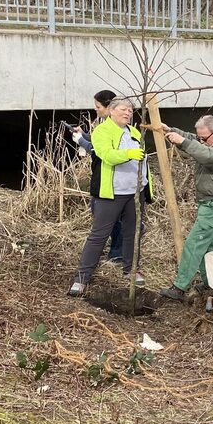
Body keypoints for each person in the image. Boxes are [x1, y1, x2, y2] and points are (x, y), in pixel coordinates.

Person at [68, 98, 155, 297]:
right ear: (112, 111)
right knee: (99, 235)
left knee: (132, 232)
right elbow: (106, 155)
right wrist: (129, 153)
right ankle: (81, 278)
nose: (128, 113)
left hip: (135, 192)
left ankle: (131, 270)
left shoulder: (133, 132)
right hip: (112, 193)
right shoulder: (102, 132)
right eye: (124, 110)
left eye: (131, 110)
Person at [157, 115, 213, 301]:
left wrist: (184, 143)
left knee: (195, 243)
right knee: (207, 245)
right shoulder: (207, 141)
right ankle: (210, 282)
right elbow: (193, 140)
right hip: (208, 201)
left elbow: (210, 157)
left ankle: (180, 287)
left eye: (204, 138)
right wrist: (170, 131)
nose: (201, 141)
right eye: (199, 138)